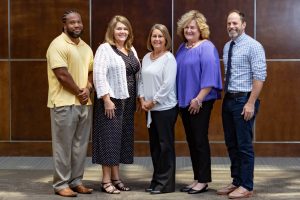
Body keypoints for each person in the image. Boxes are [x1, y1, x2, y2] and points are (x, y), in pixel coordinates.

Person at [217, 10, 267, 199]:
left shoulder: (253, 46)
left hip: (244, 101)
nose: (231, 26)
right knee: (231, 144)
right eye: (229, 23)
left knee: (244, 145)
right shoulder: (227, 46)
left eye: (235, 23)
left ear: (244, 24)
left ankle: (247, 185)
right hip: (229, 99)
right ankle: (237, 181)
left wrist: (251, 103)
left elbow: (259, 76)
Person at [46, 10, 94, 197]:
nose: (77, 25)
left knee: (79, 146)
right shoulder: (57, 45)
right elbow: (62, 75)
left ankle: (76, 181)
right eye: (72, 23)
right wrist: (79, 92)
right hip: (63, 103)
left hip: (84, 103)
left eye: (79, 22)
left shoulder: (86, 47)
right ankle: (60, 185)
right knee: (63, 146)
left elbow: (92, 70)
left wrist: (88, 88)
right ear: (64, 25)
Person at [175, 10, 223, 194]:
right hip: (185, 102)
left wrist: (199, 99)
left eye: (192, 27)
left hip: (199, 102)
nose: (189, 30)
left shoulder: (207, 47)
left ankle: (203, 180)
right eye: (186, 27)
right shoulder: (182, 48)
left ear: (200, 29)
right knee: (192, 140)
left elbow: (210, 76)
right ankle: (197, 178)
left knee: (200, 140)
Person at [92, 15, 140, 194]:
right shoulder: (105, 49)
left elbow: (137, 74)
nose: (122, 32)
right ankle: (105, 180)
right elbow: (98, 75)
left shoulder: (131, 49)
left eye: (125, 28)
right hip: (111, 102)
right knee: (109, 139)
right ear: (112, 31)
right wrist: (106, 99)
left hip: (127, 102)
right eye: (119, 29)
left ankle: (116, 177)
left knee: (121, 140)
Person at [138, 24, 178, 194]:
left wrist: (153, 101)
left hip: (165, 108)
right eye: (154, 36)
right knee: (155, 147)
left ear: (166, 39)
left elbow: (167, 85)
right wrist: (141, 100)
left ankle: (166, 184)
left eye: (160, 36)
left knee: (165, 146)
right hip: (149, 109)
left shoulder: (169, 59)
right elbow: (140, 80)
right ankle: (156, 181)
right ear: (150, 39)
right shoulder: (146, 57)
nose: (157, 39)